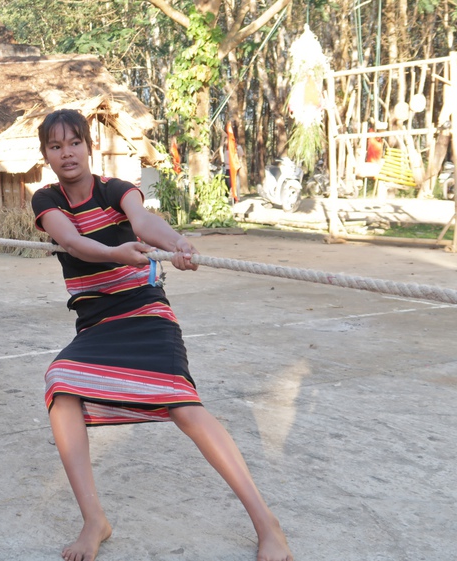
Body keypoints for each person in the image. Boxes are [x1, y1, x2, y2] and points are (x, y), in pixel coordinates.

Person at [30, 109, 293, 561]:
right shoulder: (46, 199)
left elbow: (143, 222)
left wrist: (177, 245)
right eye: (56, 146)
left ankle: (266, 523)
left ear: (89, 146)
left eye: (74, 142)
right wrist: (116, 254)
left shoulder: (114, 190)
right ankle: (94, 520)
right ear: (46, 156)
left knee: (185, 408)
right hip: (95, 320)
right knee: (62, 385)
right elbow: (72, 242)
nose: (67, 153)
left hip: (145, 310)